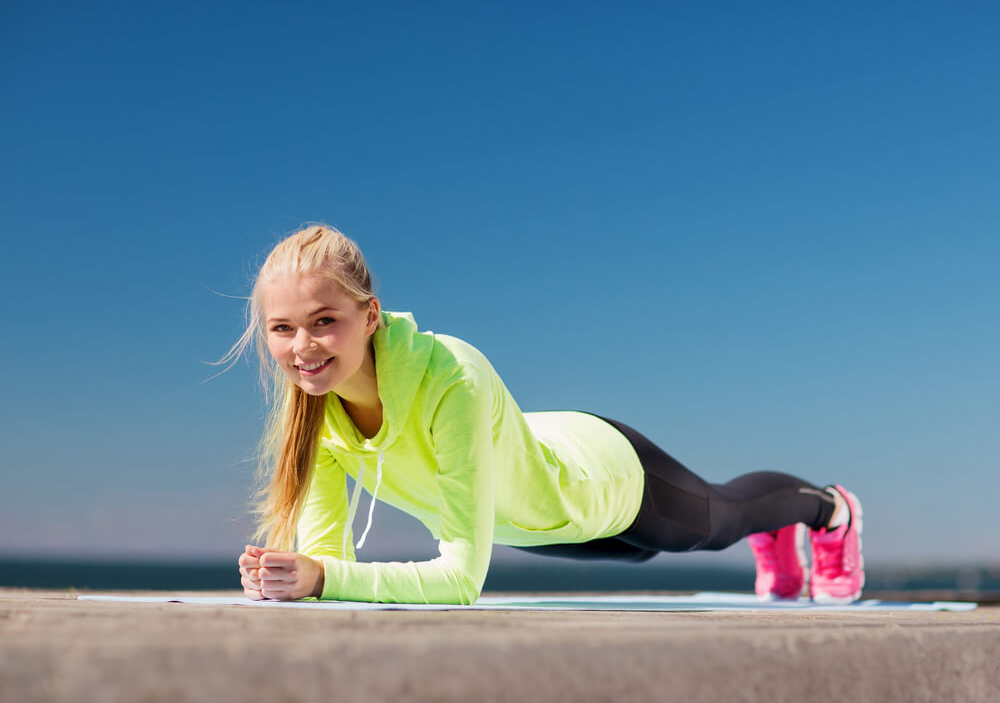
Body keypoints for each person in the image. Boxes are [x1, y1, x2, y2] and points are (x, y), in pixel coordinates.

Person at [230, 224, 864, 605]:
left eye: (324, 322)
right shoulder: (314, 417)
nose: (302, 347)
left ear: (369, 316)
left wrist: (321, 579)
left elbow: (459, 582)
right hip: (532, 516)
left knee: (715, 521)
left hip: (600, 475)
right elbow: (327, 561)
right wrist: (294, 576)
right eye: (282, 329)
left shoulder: (452, 376)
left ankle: (828, 511)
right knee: (636, 556)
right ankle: (781, 531)